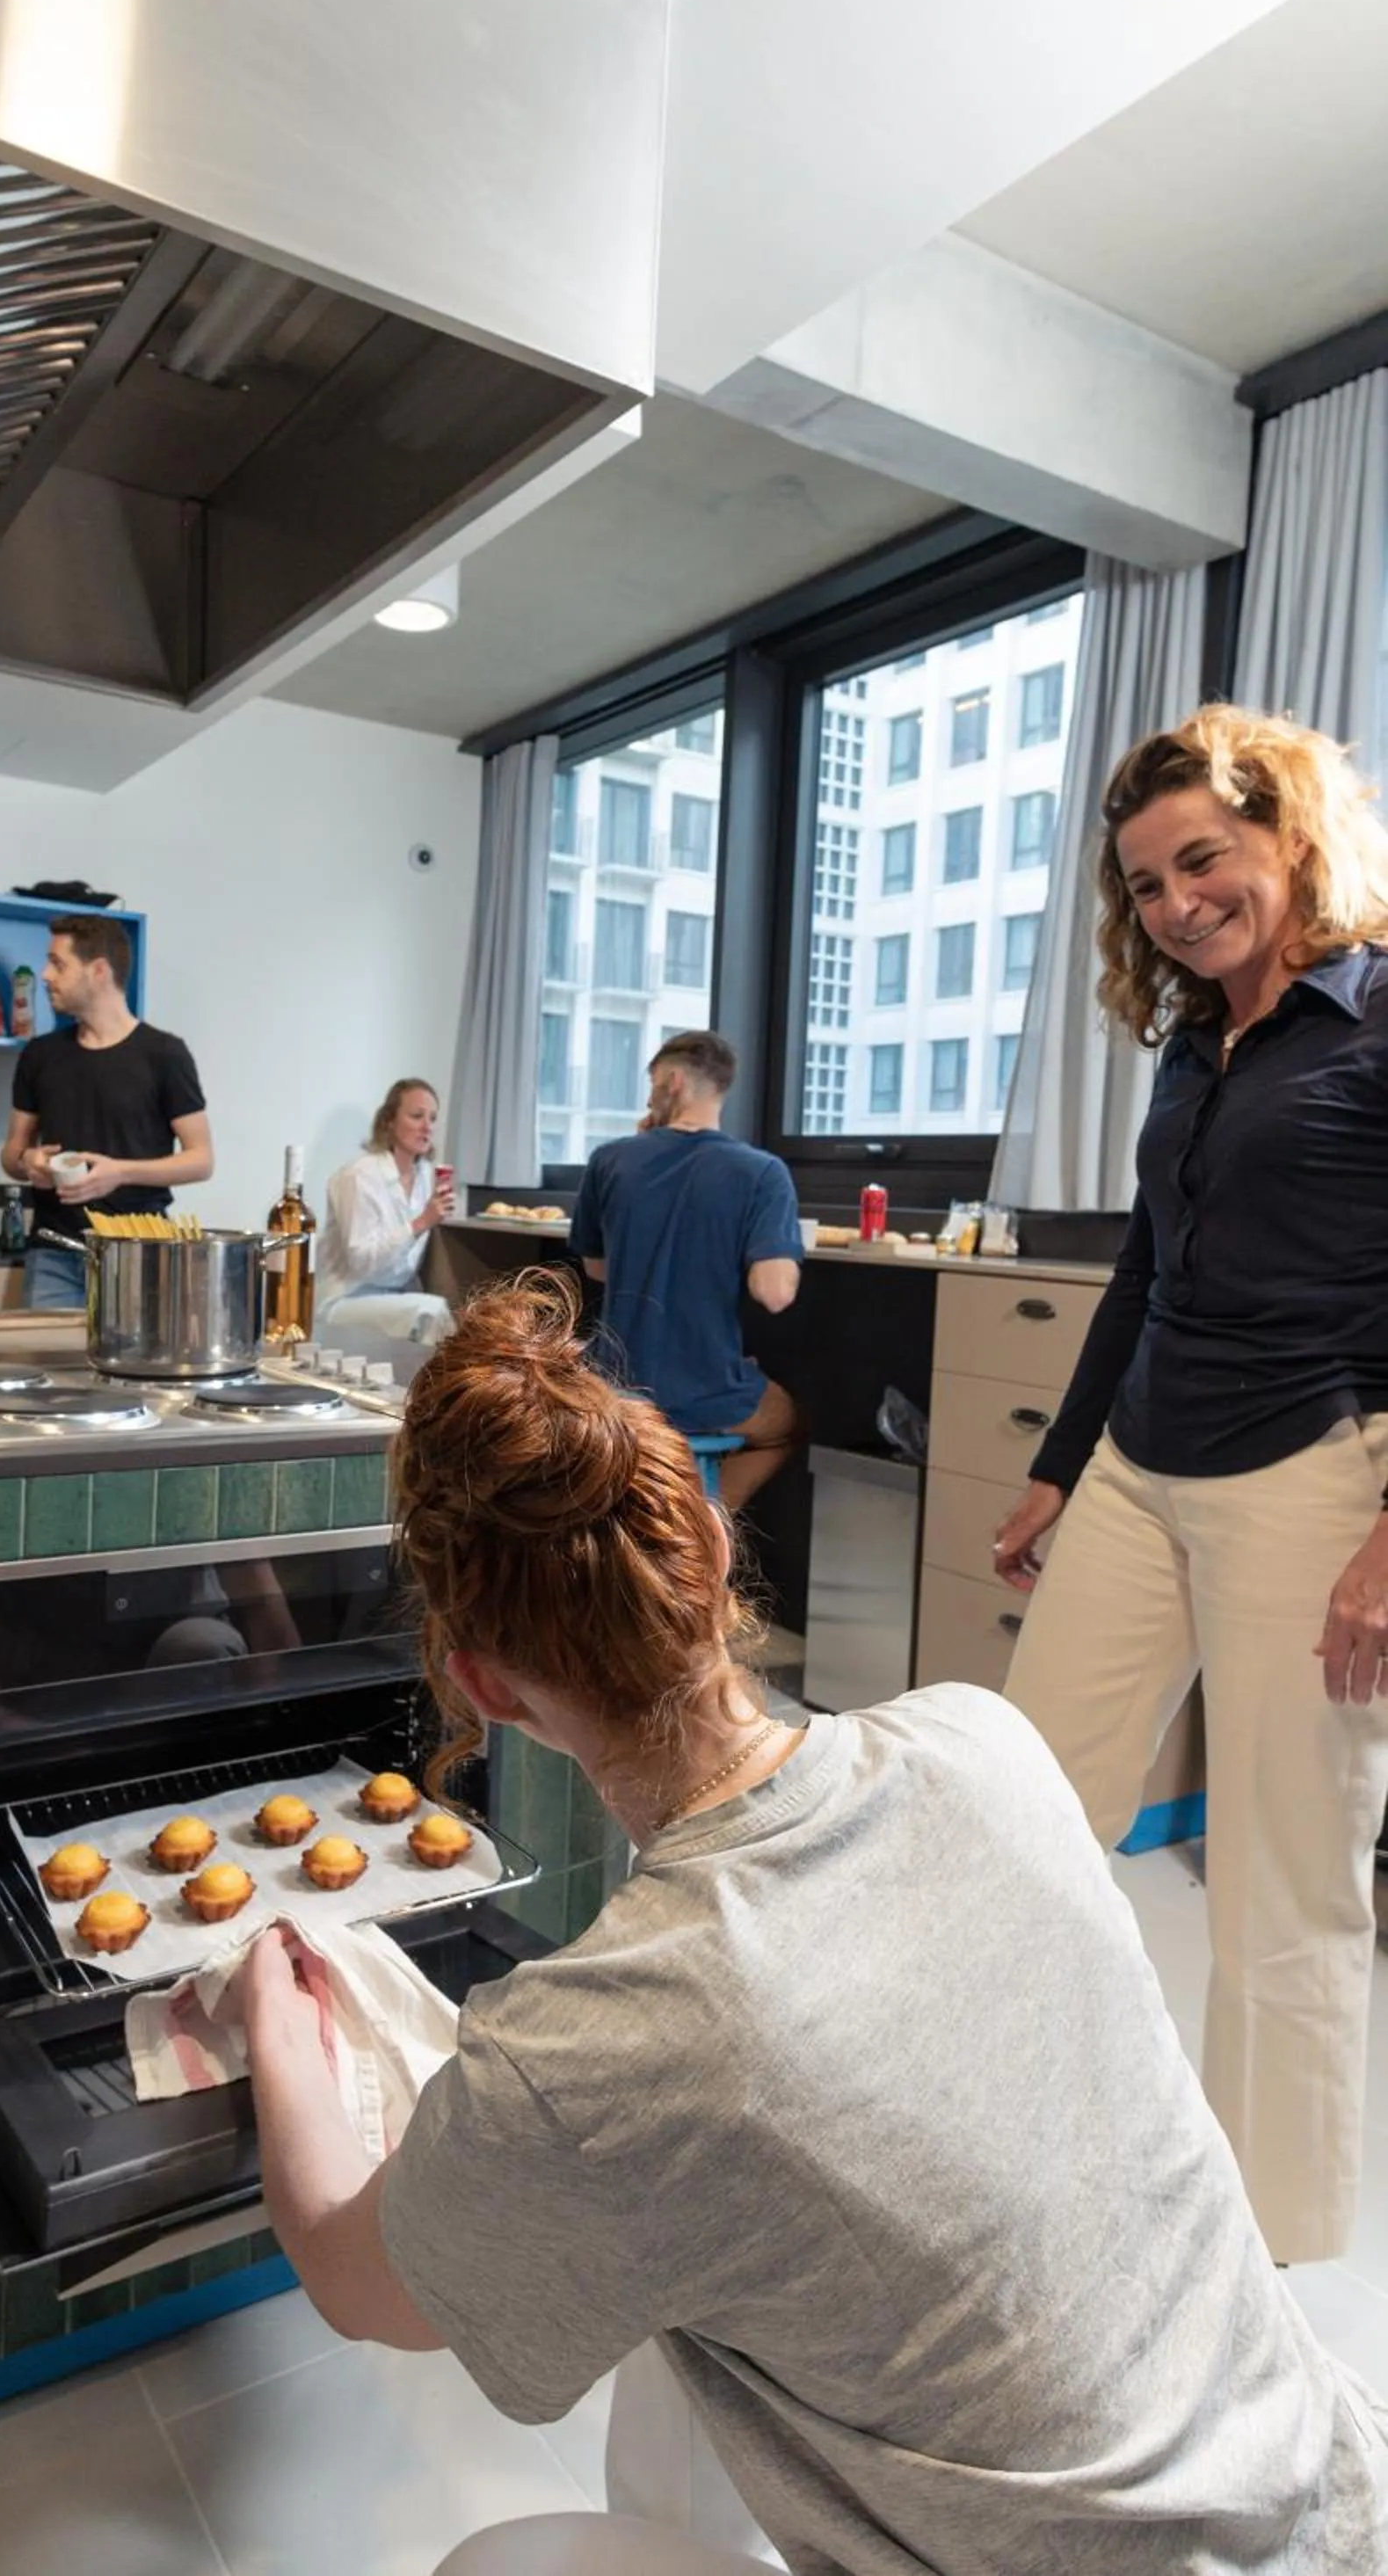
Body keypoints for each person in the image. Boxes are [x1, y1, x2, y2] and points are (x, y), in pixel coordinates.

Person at [236, 1277, 1388, 2574]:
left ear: (485, 1687)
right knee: (693, 2250)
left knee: (499, 2564)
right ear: (720, 1551)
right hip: (1328, 2500)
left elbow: (350, 2272)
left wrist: (279, 2014)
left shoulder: (610, 2055)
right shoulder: (986, 1743)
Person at [992, 702, 1388, 2272]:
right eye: (1145, 885)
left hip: (1312, 1473)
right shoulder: (1191, 1041)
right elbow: (1143, 1273)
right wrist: (1054, 1466)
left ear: (1288, 833)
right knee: (1019, 1815)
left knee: (1286, 1893)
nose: (1174, 906)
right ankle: (1005, 2141)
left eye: (1200, 861)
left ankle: (1264, 2266)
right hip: (1144, 1470)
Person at [567, 1030, 801, 1510]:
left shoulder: (610, 1160)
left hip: (611, 1385)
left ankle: (661, 1521)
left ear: (672, 1082)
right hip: (704, 1392)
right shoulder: (762, 1172)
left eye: (652, 1084)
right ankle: (700, 1525)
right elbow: (774, 1293)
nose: (650, 1096)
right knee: (787, 1427)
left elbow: (597, 1268)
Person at [0, 915, 212, 1308]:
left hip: (141, 1255)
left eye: (58, 964)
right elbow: (12, 1154)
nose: (45, 975)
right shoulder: (39, 1055)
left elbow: (201, 1161)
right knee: (49, 1369)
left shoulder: (165, 1055)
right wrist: (29, 1163)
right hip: (53, 1253)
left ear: (98, 971)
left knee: (140, 1370)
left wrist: (121, 1172)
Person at [314, 1076, 454, 1345]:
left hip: (395, 1296)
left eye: (433, 1119)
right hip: (346, 1298)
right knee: (430, 1312)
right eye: (416, 1116)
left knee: (452, 1306)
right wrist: (420, 1223)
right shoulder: (358, 1177)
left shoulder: (425, 1176)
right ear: (389, 1120)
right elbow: (363, 1264)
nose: (427, 1127)